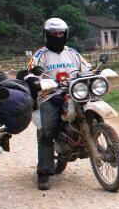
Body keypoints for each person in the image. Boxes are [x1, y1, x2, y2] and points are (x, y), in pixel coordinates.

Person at [26, 17, 90, 191]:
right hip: (50, 96)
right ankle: (43, 172)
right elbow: (31, 71)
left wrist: (94, 72)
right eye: (54, 34)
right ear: (47, 35)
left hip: (74, 92)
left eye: (61, 33)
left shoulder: (72, 53)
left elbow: (87, 68)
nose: (58, 36)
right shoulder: (41, 55)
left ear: (66, 34)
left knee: (92, 108)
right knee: (47, 130)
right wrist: (34, 79)